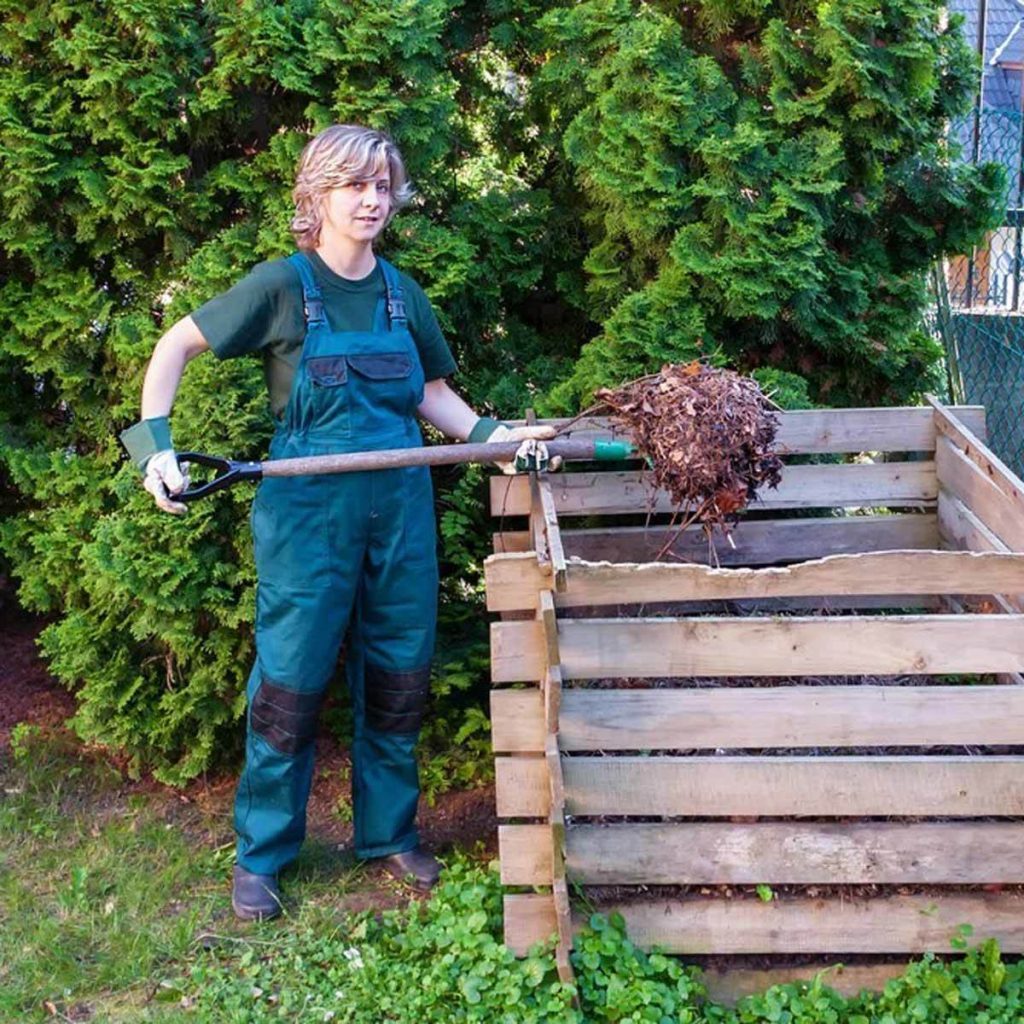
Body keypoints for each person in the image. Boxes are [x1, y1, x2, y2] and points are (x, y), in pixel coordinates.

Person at [120, 124, 554, 921]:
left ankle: (388, 834)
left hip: (399, 513)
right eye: (356, 185)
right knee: (288, 684)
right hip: (308, 520)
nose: (372, 200)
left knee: (398, 676)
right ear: (316, 195)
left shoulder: (401, 293)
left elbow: (429, 396)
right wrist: (156, 450)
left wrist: (494, 440)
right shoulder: (283, 287)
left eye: (383, 187)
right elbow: (173, 346)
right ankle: (262, 855)